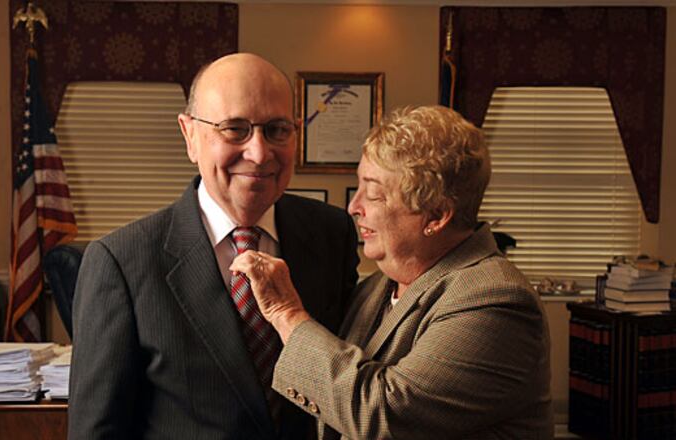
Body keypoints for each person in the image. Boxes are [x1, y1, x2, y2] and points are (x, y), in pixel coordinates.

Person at [68, 53, 359, 439]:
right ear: (190, 136)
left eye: (276, 130)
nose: (259, 153)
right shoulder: (120, 261)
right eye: (235, 129)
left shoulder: (331, 233)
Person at [232, 105, 553, 439]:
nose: (354, 207)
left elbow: (385, 415)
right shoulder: (378, 286)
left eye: (373, 194)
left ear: (436, 215)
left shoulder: (497, 301)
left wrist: (286, 314)